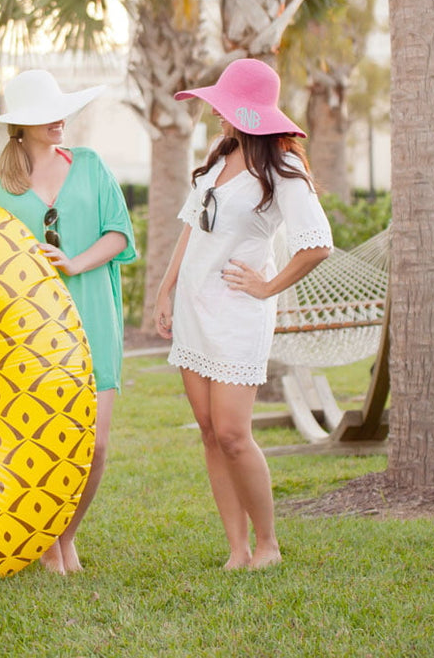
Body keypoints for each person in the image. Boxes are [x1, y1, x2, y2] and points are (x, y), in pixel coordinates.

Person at [153, 59, 332, 570]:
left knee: (234, 434)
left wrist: (267, 287)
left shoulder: (283, 171)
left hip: (237, 315)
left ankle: (268, 544)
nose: (217, 114)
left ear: (248, 112)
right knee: (210, 431)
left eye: (225, 106)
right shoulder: (219, 158)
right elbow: (191, 227)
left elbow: (316, 244)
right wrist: (166, 289)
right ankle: (236, 548)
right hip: (193, 309)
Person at [0, 69, 137, 575]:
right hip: (29, 330)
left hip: (93, 314)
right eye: (46, 114)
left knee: (97, 443)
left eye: (60, 110)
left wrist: (75, 262)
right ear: (20, 126)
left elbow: (119, 234)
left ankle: (65, 533)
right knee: (42, 439)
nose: (59, 120)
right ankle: (48, 546)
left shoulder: (89, 165)